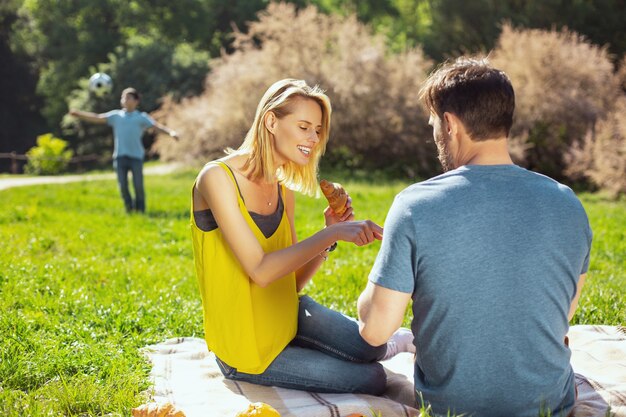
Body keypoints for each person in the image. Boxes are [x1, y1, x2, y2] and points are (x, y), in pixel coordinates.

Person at [357, 58, 592, 417]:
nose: (434, 132)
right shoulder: (568, 204)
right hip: (549, 404)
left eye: (434, 123)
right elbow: (563, 313)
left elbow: (375, 332)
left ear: (450, 124)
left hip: (452, 407)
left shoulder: (414, 206)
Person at [191, 78, 415, 395]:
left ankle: (396, 342)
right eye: (304, 127)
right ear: (271, 121)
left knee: (372, 345)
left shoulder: (283, 188)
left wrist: (327, 234)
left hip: (287, 315)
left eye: (318, 130)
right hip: (246, 349)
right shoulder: (216, 178)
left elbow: (290, 282)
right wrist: (334, 233)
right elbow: (261, 270)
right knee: (371, 379)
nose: (314, 138)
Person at [69, 87, 178, 213]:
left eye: (128, 97)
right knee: (123, 186)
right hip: (120, 157)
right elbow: (97, 118)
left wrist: (171, 132)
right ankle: (129, 209)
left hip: (136, 157)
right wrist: (79, 114)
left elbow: (156, 127)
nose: (125, 99)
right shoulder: (116, 116)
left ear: (136, 101)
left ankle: (141, 210)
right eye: (123, 97)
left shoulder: (141, 117)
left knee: (138, 186)